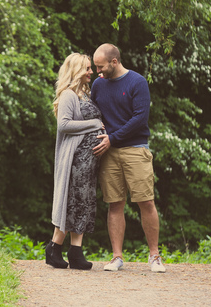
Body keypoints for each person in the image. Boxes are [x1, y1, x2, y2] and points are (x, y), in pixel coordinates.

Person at [91, 43, 166, 273]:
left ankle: (154, 256)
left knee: (146, 201)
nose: (97, 72)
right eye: (95, 67)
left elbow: (139, 119)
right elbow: (94, 112)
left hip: (135, 149)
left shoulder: (137, 82)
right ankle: (117, 257)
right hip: (108, 151)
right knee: (115, 204)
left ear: (114, 62)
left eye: (101, 66)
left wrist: (112, 138)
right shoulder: (98, 85)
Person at [46, 53, 104, 270]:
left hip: (87, 162)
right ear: (77, 70)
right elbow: (64, 125)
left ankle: (76, 252)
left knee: (83, 202)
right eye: (87, 68)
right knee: (72, 202)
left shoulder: (86, 94)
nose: (91, 72)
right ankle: (54, 248)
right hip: (74, 160)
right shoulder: (69, 95)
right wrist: (95, 124)